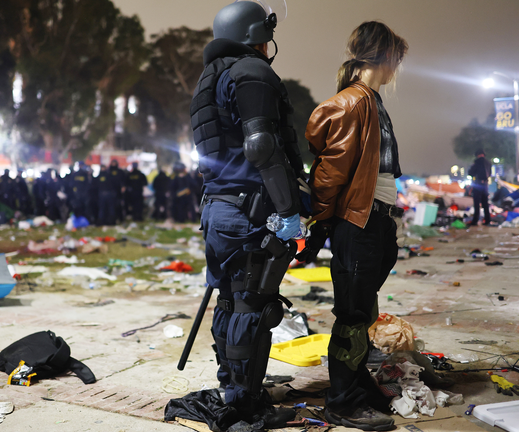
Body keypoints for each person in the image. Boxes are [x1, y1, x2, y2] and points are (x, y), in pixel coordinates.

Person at [189, 1, 306, 427]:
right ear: (254, 34)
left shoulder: (210, 77)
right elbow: (261, 147)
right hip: (248, 211)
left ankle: (232, 383)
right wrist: (290, 210)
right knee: (253, 307)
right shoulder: (251, 71)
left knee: (230, 302)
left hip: (218, 210)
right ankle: (243, 400)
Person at [301, 20, 408, 431]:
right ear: (382, 56)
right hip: (357, 224)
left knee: (363, 312)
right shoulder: (352, 102)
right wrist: (320, 222)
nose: (396, 68)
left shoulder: (373, 100)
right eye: (395, 58)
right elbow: (329, 174)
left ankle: (358, 386)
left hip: (375, 222)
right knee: (352, 314)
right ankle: (342, 402)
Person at [468, 149, 492, 226]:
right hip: (485, 185)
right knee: (485, 203)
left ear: (477, 155)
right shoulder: (488, 163)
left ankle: (475, 220)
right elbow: (490, 174)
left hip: (478, 184)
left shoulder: (477, 162)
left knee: (477, 203)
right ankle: (487, 220)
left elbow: (471, 173)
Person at [108, 159, 126, 223]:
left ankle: (120, 218)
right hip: (110, 192)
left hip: (118, 192)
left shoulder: (120, 172)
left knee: (119, 205)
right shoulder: (108, 171)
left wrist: (123, 186)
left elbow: (124, 180)